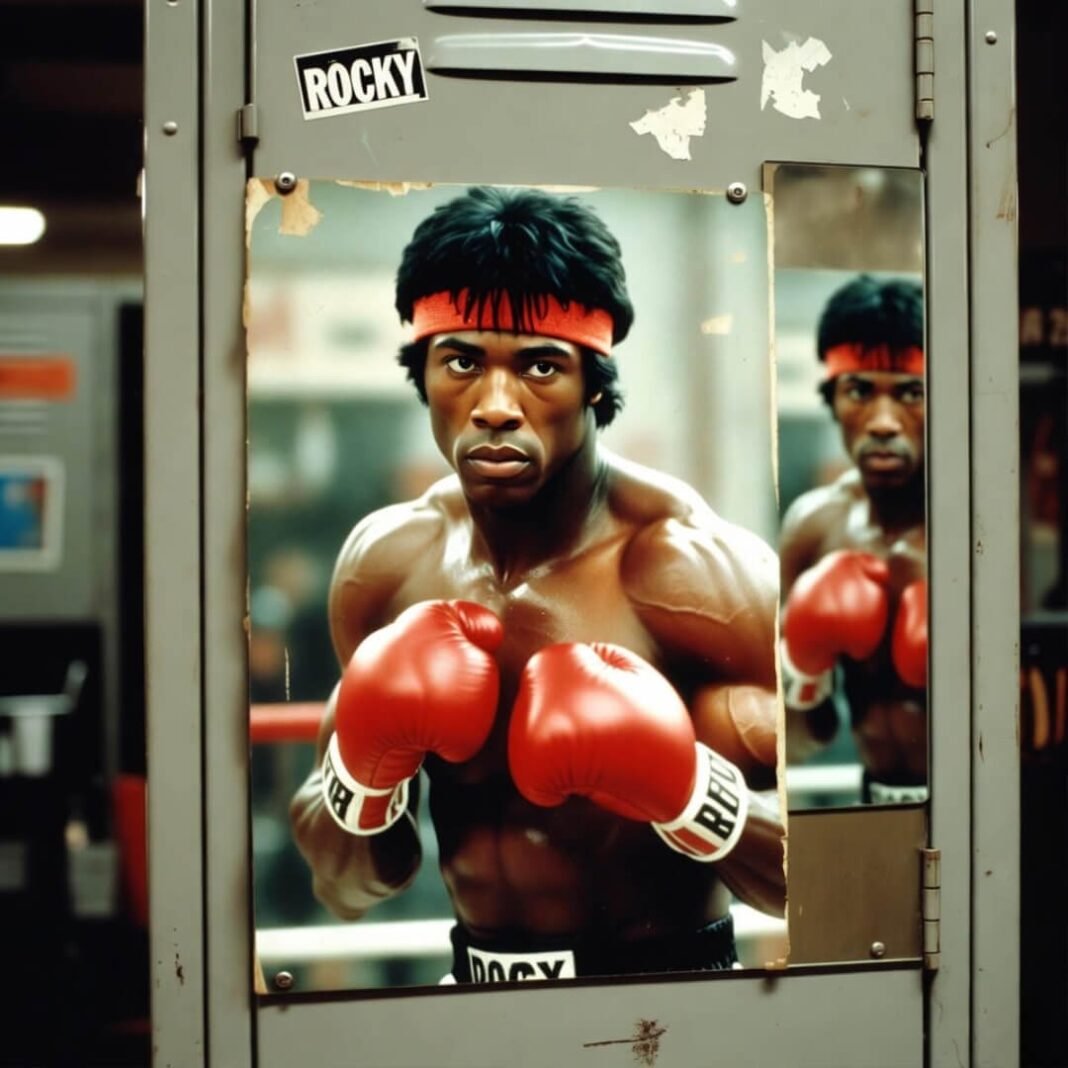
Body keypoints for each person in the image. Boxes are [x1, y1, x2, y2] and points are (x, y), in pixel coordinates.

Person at [290, 186, 784, 984]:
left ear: (594, 380)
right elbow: (345, 881)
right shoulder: (389, 563)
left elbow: (818, 877)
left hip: (671, 1004)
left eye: (540, 366)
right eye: (460, 362)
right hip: (473, 997)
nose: (493, 406)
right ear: (421, 371)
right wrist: (362, 772)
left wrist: (687, 789)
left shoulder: (692, 575)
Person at [778, 275, 928, 804]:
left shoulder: (977, 530)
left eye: (911, 393)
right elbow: (799, 741)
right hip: (871, 805)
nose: (884, 422)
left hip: (982, 816)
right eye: (860, 391)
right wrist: (802, 668)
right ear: (832, 399)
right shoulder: (815, 527)